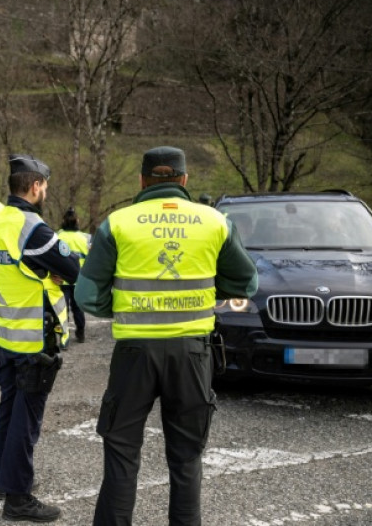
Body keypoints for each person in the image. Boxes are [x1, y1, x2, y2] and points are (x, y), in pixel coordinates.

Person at [75, 146, 258, 526]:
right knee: (187, 458)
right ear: (185, 179)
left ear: (142, 180)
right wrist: (203, 295)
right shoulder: (215, 222)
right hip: (193, 354)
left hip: (134, 353)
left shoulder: (118, 223)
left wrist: (127, 306)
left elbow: (87, 296)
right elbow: (247, 282)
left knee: (122, 452)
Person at [0, 154, 80, 523]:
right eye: (45, 185)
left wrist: (44, 272)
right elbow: (73, 270)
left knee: (8, 412)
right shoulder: (33, 228)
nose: (46, 191)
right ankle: (18, 498)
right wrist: (52, 274)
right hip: (35, 341)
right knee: (27, 420)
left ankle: (4, 483)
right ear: (35, 186)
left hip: (6, 336)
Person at [56, 207, 91, 343]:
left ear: (63, 221)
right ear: (77, 221)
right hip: (79, 279)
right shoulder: (85, 238)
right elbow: (90, 260)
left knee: (62, 309)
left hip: (61, 279)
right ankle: (80, 333)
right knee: (78, 309)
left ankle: (64, 335)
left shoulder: (57, 236)